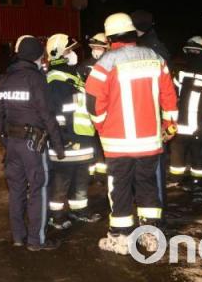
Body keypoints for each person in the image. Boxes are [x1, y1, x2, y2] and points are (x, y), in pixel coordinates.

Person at [85, 13, 178, 255]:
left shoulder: (105, 63)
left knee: (120, 189)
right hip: (150, 142)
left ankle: (121, 238)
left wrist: (102, 126)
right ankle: (151, 235)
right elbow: (169, 96)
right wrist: (169, 124)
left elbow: (93, 103)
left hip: (118, 144)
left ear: (109, 36)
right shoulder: (155, 58)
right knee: (147, 186)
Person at [0, 35, 65, 251]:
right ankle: (37, 240)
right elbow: (47, 114)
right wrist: (59, 146)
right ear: (36, 55)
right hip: (33, 144)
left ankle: (18, 236)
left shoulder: (5, 78)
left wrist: (4, 140)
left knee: (15, 190)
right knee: (38, 189)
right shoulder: (35, 78)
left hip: (12, 142)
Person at [44, 34, 101, 231]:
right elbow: (56, 115)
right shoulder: (56, 80)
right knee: (61, 183)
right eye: (69, 50)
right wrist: (63, 139)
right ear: (59, 54)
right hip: (67, 141)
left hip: (82, 140)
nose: (74, 54)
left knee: (81, 180)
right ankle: (56, 216)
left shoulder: (71, 76)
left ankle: (80, 210)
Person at [169, 37, 202, 185]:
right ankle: (196, 186)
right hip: (197, 128)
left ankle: (178, 183)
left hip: (180, 128)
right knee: (197, 158)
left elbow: (170, 97)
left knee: (179, 159)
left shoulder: (181, 72)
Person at [79, 32, 109, 177]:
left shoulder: (112, 65)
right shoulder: (84, 66)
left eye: (99, 47)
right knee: (91, 140)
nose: (96, 50)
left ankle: (104, 171)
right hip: (88, 109)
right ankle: (91, 171)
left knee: (104, 141)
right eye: (94, 47)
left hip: (106, 109)